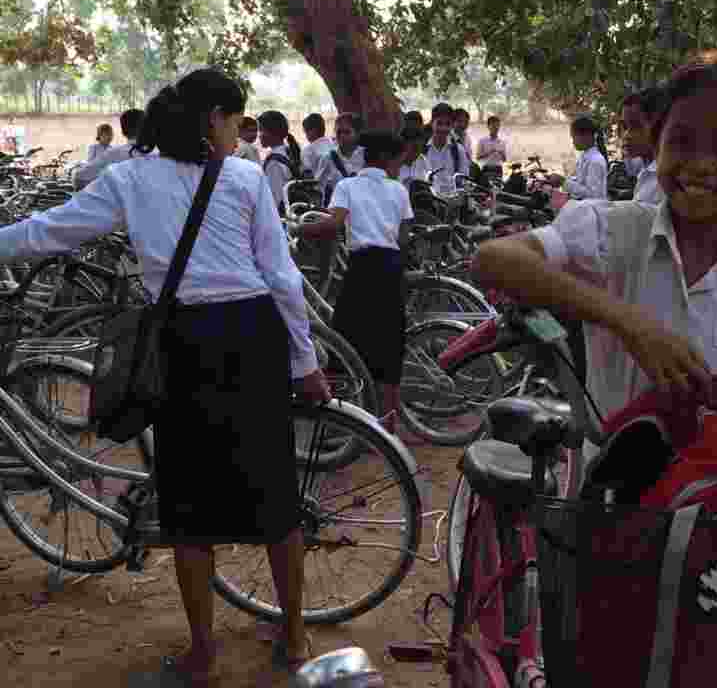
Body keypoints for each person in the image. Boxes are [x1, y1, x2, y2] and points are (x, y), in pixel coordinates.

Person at [472, 63, 717, 683]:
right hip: (617, 520)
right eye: (681, 142)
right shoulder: (611, 234)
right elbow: (495, 259)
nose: (700, 165)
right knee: (610, 668)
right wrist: (628, 322)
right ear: (656, 146)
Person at [0, 68, 329, 679]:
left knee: (189, 508)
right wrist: (304, 362)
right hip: (251, 340)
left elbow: (49, 231)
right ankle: (296, 636)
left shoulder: (128, 178)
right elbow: (282, 277)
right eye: (234, 120)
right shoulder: (246, 178)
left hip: (181, 346)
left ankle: (203, 655)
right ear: (212, 120)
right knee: (276, 496)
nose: (239, 132)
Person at [292, 131, 414, 437]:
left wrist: (298, 228)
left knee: (345, 337)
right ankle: (388, 423)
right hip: (391, 267)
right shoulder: (398, 190)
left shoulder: (347, 186)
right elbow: (403, 237)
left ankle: (338, 421)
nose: (400, 165)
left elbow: (333, 224)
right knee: (390, 341)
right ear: (387, 159)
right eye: (399, 160)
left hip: (362, 268)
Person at [74, 108, 146, 190]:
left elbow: (79, 177)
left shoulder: (113, 153)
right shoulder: (157, 155)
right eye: (105, 135)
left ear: (123, 132)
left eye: (110, 134)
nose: (108, 137)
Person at [545, 115, 608, 200]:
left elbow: (593, 195)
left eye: (574, 137)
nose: (573, 142)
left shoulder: (595, 161)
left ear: (587, 136)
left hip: (592, 210)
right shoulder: (584, 156)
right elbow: (581, 182)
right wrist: (561, 180)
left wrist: (564, 182)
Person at [620, 88, 663, 204]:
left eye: (636, 126)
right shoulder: (645, 170)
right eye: (625, 127)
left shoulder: (664, 180)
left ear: (660, 127)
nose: (626, 135)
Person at [258, 110, 301, 213]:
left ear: (272, 133)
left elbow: (274, 199)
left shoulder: (274, 162)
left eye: (261, 130)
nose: (259, 135)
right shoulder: (288, 151)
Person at [425, 102, 468, 197]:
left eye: (447, 124)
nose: (443, 128)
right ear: (432, 123)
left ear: (452, 125)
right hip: (427, 203)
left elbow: (464, 179)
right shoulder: (423, 150)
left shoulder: (458, 150)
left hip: (452, 204)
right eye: (439, 123)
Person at [321, 112, 366, 201]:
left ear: (357, 133)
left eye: (347, 132)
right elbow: (319, 186)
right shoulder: (328, 158)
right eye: (339, 132)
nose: (342, 136)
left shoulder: (367, 156)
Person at [300, 113, 334, 180]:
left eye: (305, 131)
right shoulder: (334, 144)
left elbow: (308, 176)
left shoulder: (308, 151)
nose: (305, 135)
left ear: (312, 131)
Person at [476, 115, 508, 185]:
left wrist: (501, 154)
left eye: (497, 126)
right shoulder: (482, 141)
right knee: (486, 189)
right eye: (493, 126)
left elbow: (504, 160)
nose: (496, 128)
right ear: (488, 126)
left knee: (497, 189)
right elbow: (477, 157)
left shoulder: (502, 141)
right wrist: (489, 152)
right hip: (486, 168)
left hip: (498, 169)